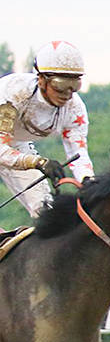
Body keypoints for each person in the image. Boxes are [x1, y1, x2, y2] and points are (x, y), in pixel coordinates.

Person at [0, 41, 94, 216]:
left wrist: (87, 180)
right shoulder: (13, 95)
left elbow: (78, 155)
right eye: (60, 86)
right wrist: (38, 163)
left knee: (46, 212)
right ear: (42, 80)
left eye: (73, 86)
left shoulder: (75, 109)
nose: (67, 94)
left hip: (16, 145)